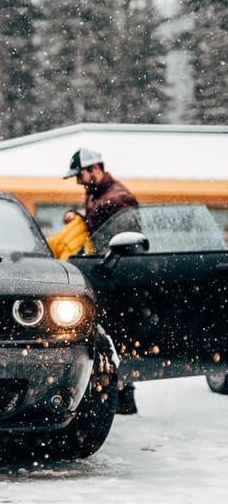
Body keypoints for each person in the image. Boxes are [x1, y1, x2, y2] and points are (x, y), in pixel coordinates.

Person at [62, 148, 140, 416]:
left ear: (94, 168)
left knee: (119, 334)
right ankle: (113, 393)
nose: (78, 181)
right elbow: (97, 231)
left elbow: (120, 244)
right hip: (101, 272)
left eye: (80, 174)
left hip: (115, 276)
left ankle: (124, 396)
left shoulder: (120, 199)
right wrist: (79, 218)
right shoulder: (97, 194)